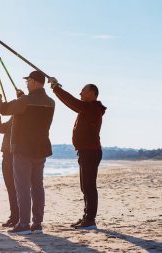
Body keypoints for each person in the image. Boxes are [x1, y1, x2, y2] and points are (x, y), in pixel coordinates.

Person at [0, 71, 55, 235]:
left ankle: (23, 224)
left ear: (34, 82)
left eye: (28, 81)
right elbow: (29, 111)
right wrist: (21, 98)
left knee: (22, 187)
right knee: (37, 186)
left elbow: (4, 109)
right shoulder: (50, 102)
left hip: (23, 148)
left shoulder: (25, 101)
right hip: (41, 148)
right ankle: (37, 224)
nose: (26, 84)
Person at [49, 77, 106, 229]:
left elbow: (71, 102)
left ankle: (90, 220)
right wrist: (57, 88)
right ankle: (87, 217)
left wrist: (55, 88)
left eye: (83, 90)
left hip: (90, 152)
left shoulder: (92, 108)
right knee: (85, 186)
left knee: (88, 186)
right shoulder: (88, 108)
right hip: (86, 152)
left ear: (92, 93)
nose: (80, 92)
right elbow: (73, 101)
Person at [0, 108, 19, 227]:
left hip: (12, 155)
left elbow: (0, 128)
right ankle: (14, 216)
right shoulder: (14, 117)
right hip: (8, 155)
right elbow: (0, 128)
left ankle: (16, 217)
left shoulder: (19, 116)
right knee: (12, 188)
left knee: (14, 188)